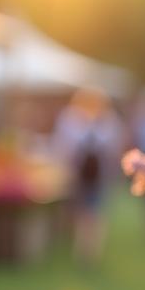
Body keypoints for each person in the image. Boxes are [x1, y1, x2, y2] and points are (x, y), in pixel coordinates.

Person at [53, 89, 122, 266]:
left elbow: (114, 149)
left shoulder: (108, 121)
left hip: (99, 177)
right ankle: (83, 248)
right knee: (81, 214)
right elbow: (63, 147)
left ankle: (89, 251)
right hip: (77, 175)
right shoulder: (70, 119)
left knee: (94, 214)